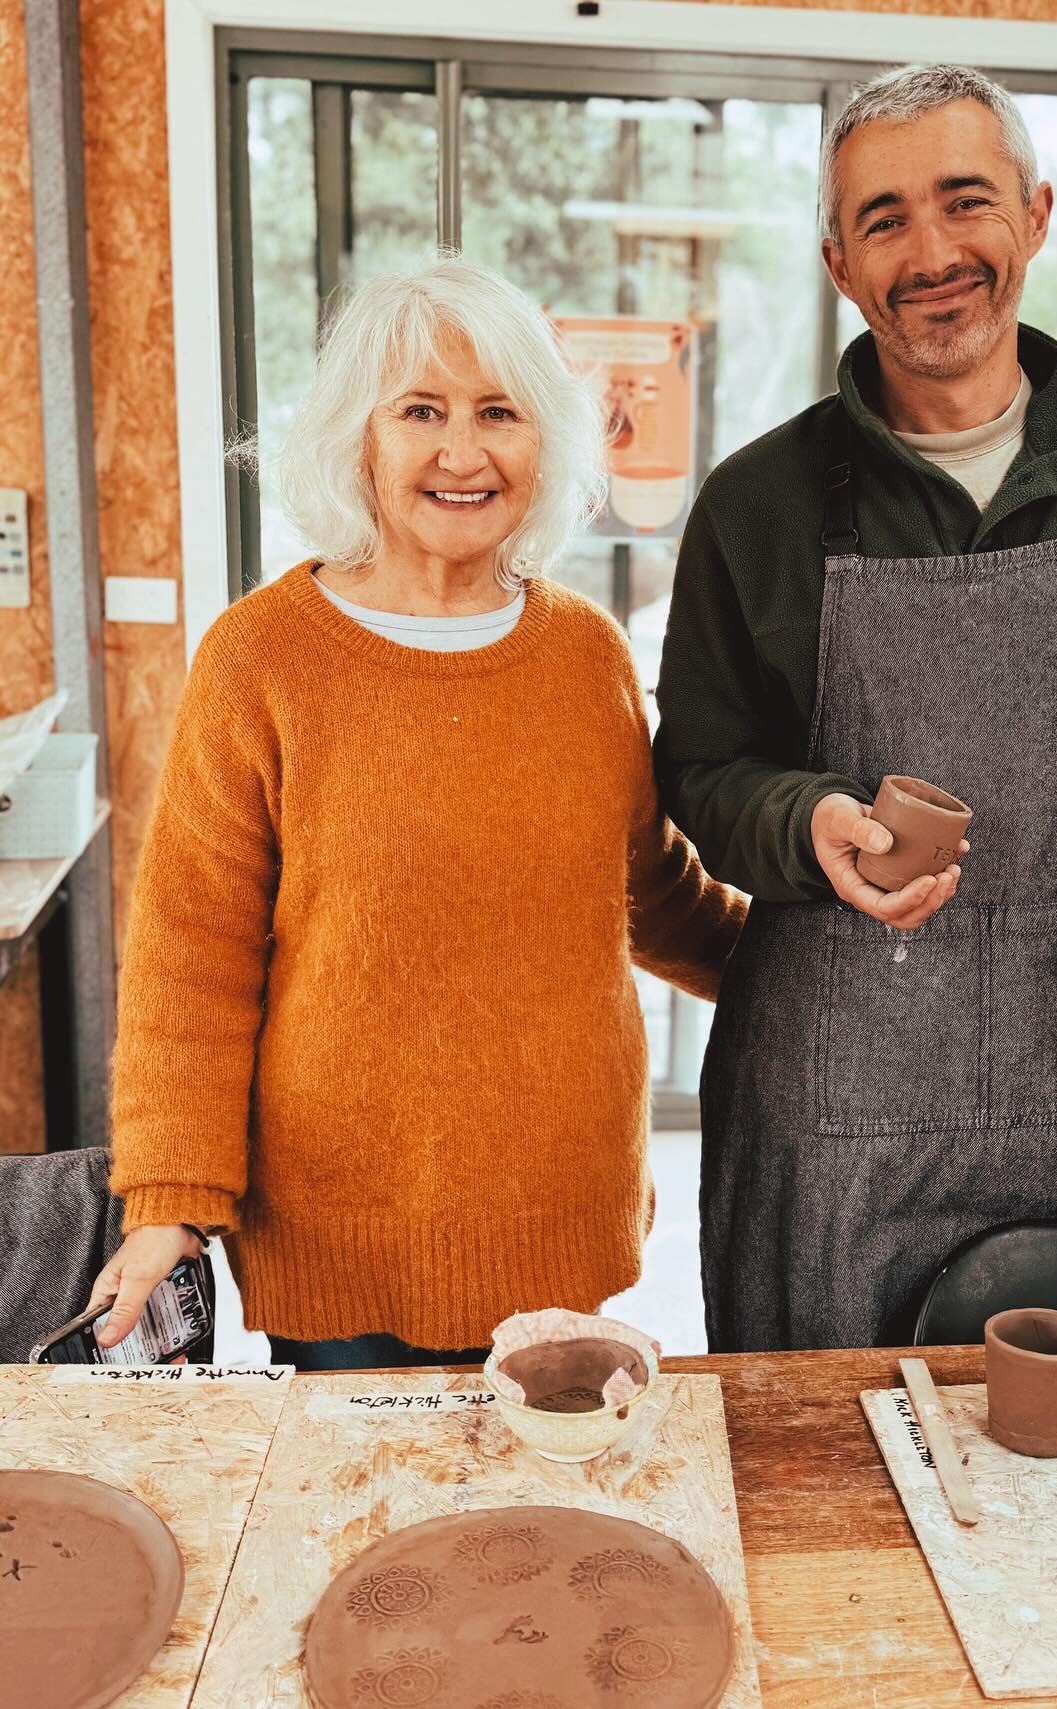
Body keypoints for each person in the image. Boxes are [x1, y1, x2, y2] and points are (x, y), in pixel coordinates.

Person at [654, 65, 1057, 1352]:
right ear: (840, 262)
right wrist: (808, 820)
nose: (933, 252)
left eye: (966, 200)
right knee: (825, 1459)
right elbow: (705, 768)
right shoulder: (757, 504)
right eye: (885, 218)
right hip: (837, 1126)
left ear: (1035, 215)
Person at [93, 260, 744, 1371]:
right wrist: (170, 1194)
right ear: (358, 437)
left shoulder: (586, 655)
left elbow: (648, 886)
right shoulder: (261, 659)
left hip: (557, 1207)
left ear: (547, 443)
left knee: (546, 1484)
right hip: (337, 1227)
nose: (463, 452)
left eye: (499, 412)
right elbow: (190, 954)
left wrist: (814, 974)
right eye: (421, 412)